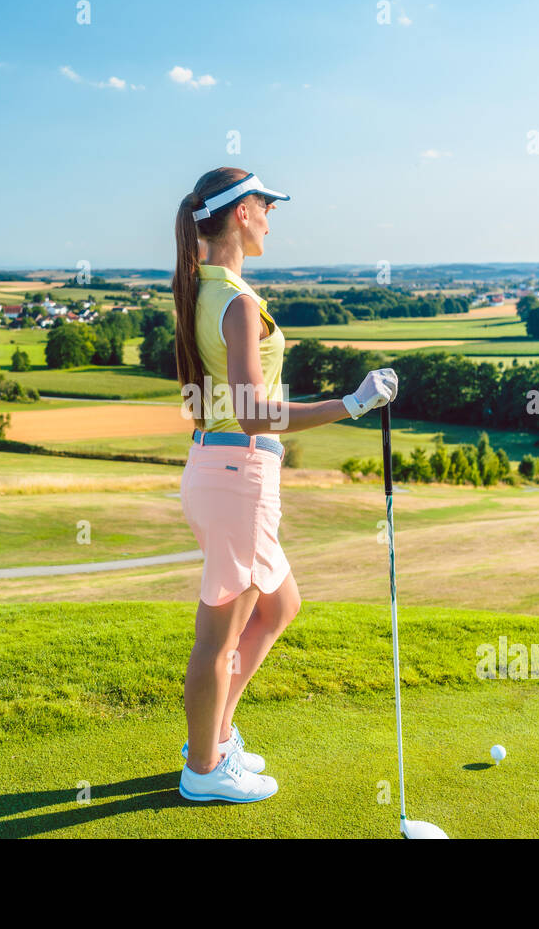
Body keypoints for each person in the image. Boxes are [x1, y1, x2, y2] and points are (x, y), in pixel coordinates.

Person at [171, 167, 399, 802]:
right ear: (242, 213)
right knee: (217, 636)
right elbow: (251, 409)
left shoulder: (209, 290)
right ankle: (204, 769)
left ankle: (213, 736)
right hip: (238, 472)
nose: (272, 217)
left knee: (279, 605)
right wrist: (349, 405)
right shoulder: (237, 302)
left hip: (225, 471)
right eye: (267, 207)